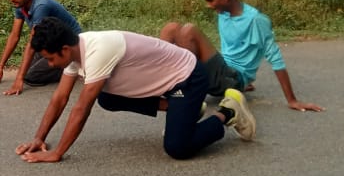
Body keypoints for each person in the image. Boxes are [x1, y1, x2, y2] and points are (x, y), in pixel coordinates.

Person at [16, 17, 256, 164]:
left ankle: (228, 112)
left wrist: (57, 152)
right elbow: (60, 98)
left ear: (65, 49)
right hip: (170, 86)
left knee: (177, 148)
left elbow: (81, 108)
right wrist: (39, 138)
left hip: (187, 78)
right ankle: (184, 109)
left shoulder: (98, 50)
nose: (49, 64)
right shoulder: (74, 51)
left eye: (49, 59)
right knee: (107, 98)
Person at [161, 0, 323, 112]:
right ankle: (161, 81)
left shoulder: (256, 20)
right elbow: (233, 49)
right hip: (224, 74)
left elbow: (275, 58)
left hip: (234, 78)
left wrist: (292, 100)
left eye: (210, 0)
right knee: (171, 28)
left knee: (190, 30)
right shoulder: (223, 13)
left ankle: (187, 95)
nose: (208, 6)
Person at [0, 0, 82, 95]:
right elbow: (14, 36)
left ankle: (74, 67)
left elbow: (32, 43)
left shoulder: (41, 6)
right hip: (51, 44)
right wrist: (0, 67)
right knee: (27, 69)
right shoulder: (20, 6)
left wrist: (19, 79)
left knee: (31, 76)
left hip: (69, 46)